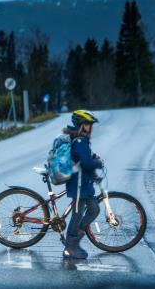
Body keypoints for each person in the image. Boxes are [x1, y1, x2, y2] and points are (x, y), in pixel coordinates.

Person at [62, 110, 103, 259]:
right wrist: (97, 163)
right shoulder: (79, 141)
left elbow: (83, 162)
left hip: (84, 184)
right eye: (88, 124)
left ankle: (75, 240)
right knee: (77, 215)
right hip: (78, 185)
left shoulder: (82, 140)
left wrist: (93, 174)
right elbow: (85, 163)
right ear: (81, 125)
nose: (90, 127)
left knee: (94, 210)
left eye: (90, 124)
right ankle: (70, 247)